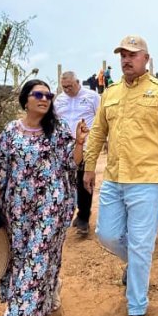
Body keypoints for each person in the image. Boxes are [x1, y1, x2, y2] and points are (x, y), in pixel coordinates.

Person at [84, 35, 158, 316]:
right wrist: (89, 166)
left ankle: (137, 308)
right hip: (115, 177)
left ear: (146, 58)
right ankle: (136, 262)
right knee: (106, 234)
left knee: (142, 244)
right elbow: (99, 131)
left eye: (132, 54)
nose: (126, 60)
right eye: (123, 55)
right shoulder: (111, 93)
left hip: (148, 179)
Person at [0, 79, 87, 316]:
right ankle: (50, 289)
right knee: (24, 261)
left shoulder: (57, 131)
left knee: (36, 262)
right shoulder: (10, 132)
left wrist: (79, 143)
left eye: (48, 95)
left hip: (52, 208)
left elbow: (71, 163)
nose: (44, 99)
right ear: (25, 100)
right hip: (16, 210)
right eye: (38, 94)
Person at [54, 71, 101, 235]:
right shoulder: (59, 100)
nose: (67, 89)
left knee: (84, 179)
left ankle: (83, 216)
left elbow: (101, 118)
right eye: (64, 86)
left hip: (87, 145)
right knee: (66, 181)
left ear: (78, 82)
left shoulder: (92, 97)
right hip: (64, 147)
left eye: (70, 86)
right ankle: (67, 214)